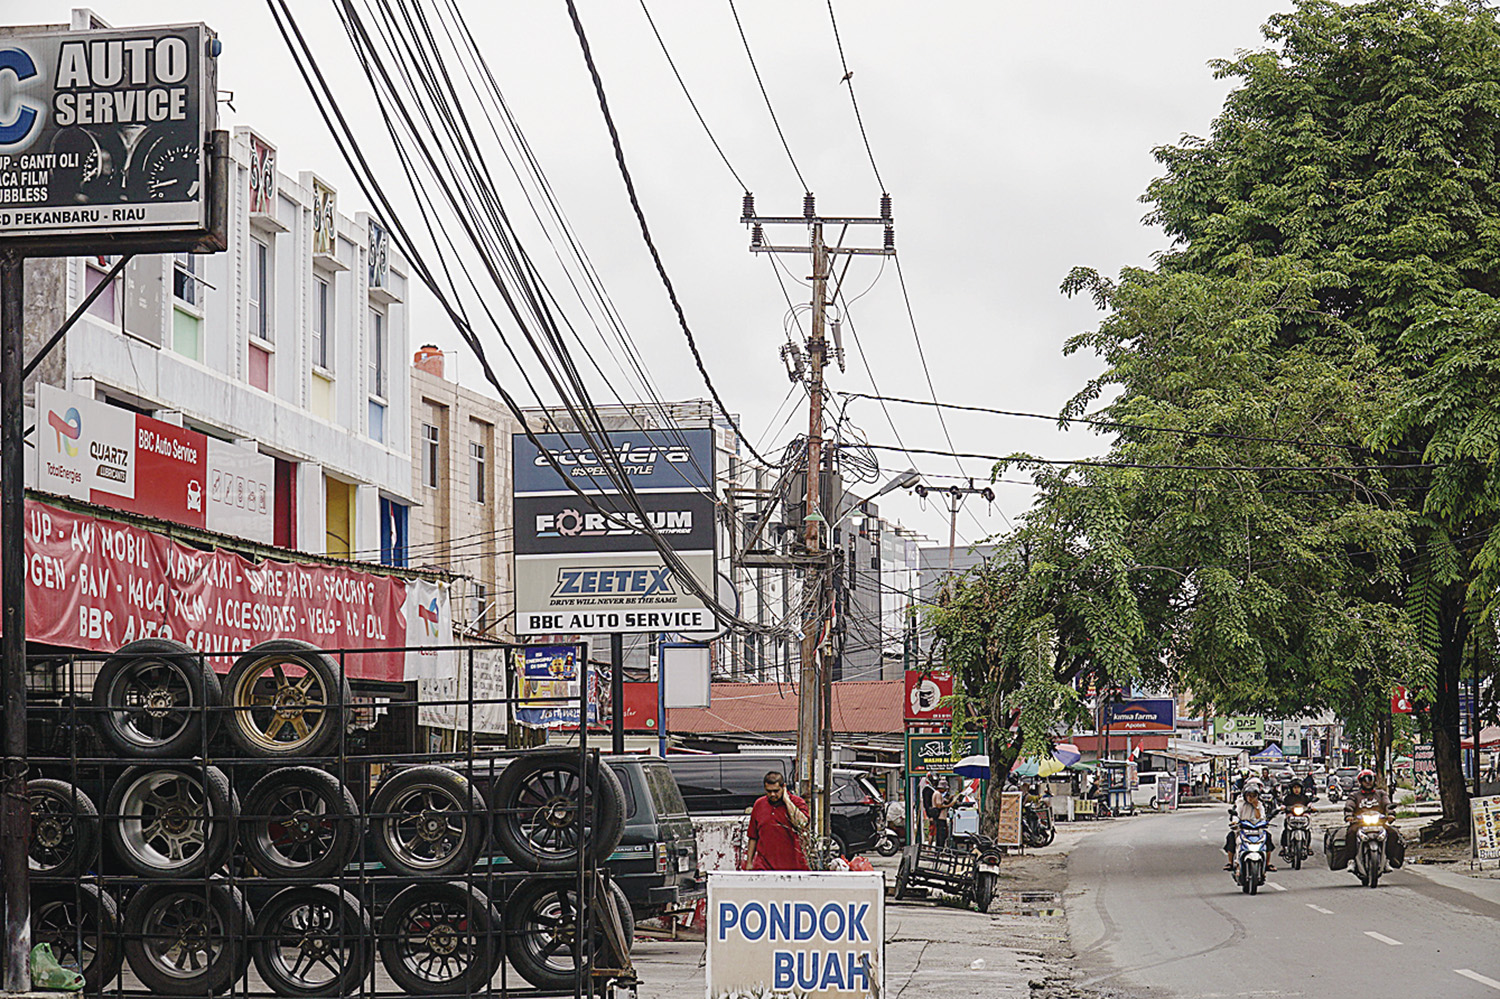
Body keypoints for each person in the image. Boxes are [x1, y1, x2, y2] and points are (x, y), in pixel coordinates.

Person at [1330, 767, 1401, 869]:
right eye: (1365, 780)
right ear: (1360, 782)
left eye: (1370, 779)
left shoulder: (1381, 794)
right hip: (1359, 823)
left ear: (1374, 780)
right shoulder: (1354, 795)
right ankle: (1351, 860)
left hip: (1379, 823)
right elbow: (1349, 806)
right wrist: (1349, 816)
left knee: (1393, 833)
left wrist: (1391, 814)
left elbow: (1387, 804)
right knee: (1350, 833)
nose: (1368, 782)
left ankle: (1388, 860)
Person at [743, 771, 810, 871]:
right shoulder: (759, 804)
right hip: (764, 866)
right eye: (769, 791)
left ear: (783, 787)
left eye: (776, 791)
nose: (772, 794)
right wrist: (749, 863)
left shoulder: (797, 802)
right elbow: (753, 836)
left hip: (793, 866)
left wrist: (787, 801)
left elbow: (802, 823)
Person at [1224, 778, 1276, 871]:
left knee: (1268, 838)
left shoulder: (1260, 804)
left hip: (1257, 830)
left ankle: (1267, 863)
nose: (1251, 798)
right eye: (1249, 795)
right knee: (1231, 837)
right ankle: (1231, 862)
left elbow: (1261, 817)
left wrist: (1256, 807)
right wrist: (1235, 822)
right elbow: (1236, 814)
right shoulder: (1240, 803)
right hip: (1243, 829)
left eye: (1253, 795)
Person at [1279, 777, 1314, 850]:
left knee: (1307, 829)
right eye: (1294, 788)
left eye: (1298, 787)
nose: (1296, 789)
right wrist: (1283, 808)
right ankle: (1283, 847)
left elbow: (1309, 804)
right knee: (1286, 829)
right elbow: (1283, 804)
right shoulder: (1288, 798)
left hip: (1303, 817)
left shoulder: (1305, 797)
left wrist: (1311, 808)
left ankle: (1308, 845)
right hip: (1291, 816)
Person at [921, 773, 951, 848]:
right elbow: (932, 804)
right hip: (936, 815)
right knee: (936, 833)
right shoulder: (929, 790)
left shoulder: (936, 792)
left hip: (937, 815)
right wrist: (930, 815)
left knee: (937, 833)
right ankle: (931, 848)